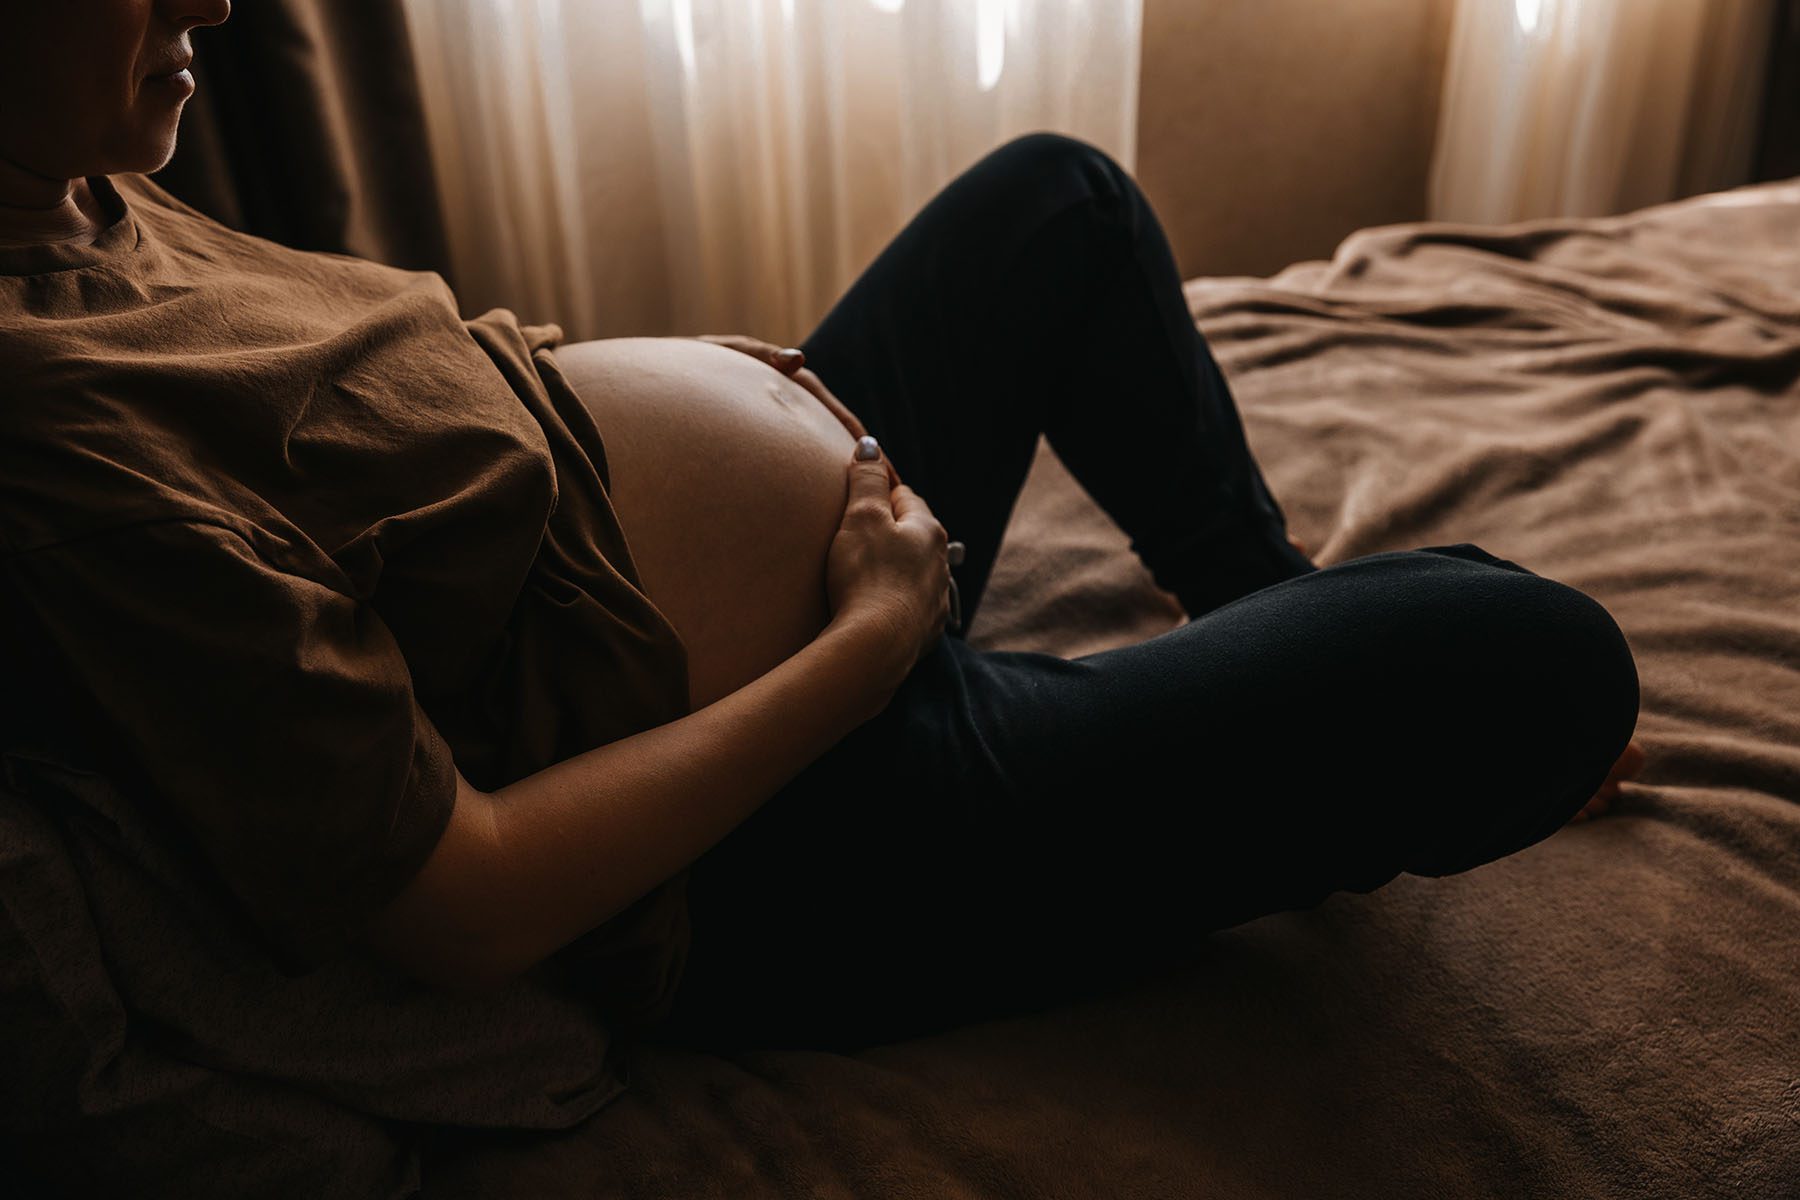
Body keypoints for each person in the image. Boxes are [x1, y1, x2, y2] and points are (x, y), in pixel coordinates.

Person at [0, 0, 1643, 1067]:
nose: (207, 3)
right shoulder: (56, 443)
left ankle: (1259, 623)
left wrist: (653, 374)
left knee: (1060, 197)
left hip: (793, 604)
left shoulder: (87, 188)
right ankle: (1220, 721)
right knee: (1538, 661)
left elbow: (385, 423)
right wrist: (863, 647)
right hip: (778, 843)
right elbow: (462, 905)